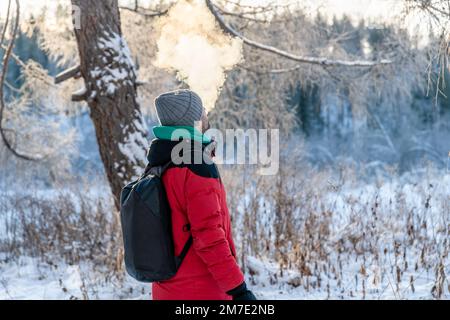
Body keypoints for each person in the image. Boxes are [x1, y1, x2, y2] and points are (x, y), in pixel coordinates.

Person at [148, 89, 256, 300]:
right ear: (193, 119)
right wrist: (238, 289)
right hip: (201, 290)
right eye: (203, 111)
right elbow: (209, 236)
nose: (207, 115)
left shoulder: (158, 163)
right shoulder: (197, 166)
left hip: (165, 288)